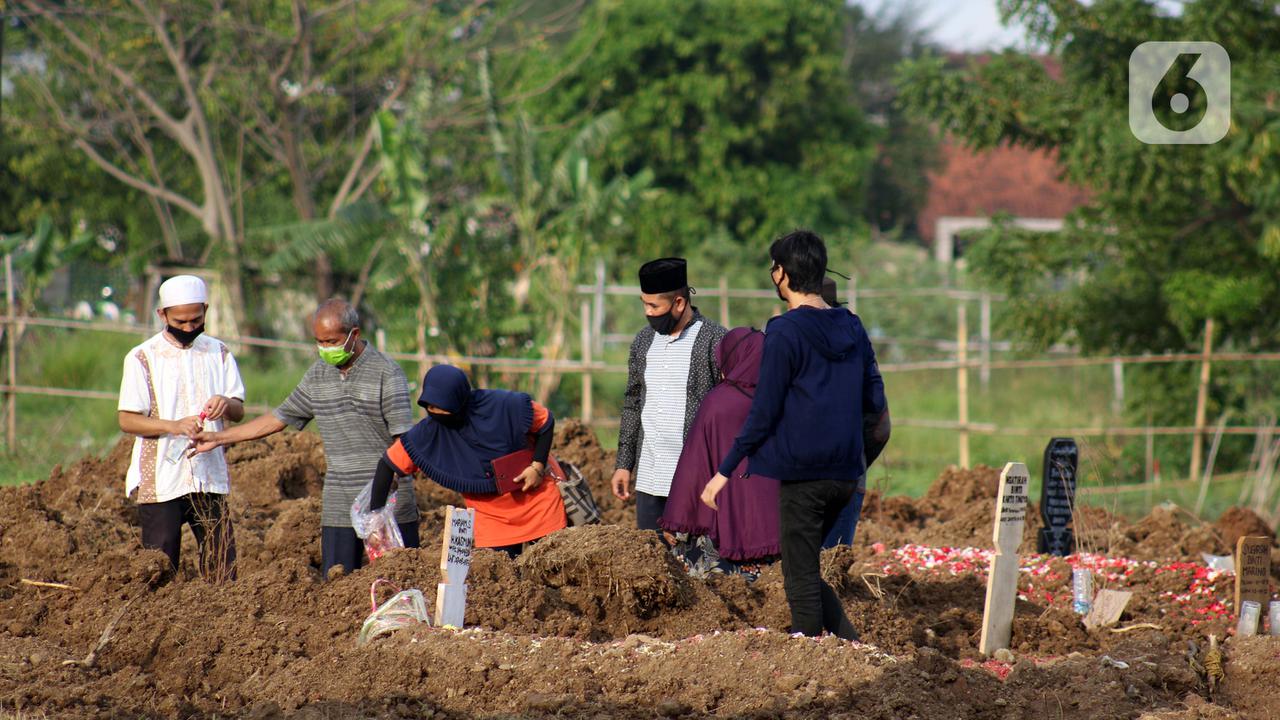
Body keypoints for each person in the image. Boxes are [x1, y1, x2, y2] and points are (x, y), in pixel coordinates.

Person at [703, 230, 890, 640]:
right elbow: (874, 408)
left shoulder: (784, 332)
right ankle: (852, 648)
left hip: (805, 476)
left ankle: (810, 657)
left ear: (782, 275)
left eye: (774, 268)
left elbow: (764, 410)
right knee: (799, 564)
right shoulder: (852, 326)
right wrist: (855, 459)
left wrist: (724, 471)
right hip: (845, 475)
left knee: (799, 578)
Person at [191, 298, 418, 577]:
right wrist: (221, 438)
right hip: (340, 502)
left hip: (386, 502)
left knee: (397, 581)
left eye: (332, 341)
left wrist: (377, 504)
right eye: (319, 342)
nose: (325, 349)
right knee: (338, 582)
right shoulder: (317, 376)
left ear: (354, 335)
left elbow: (404, 444)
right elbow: (277, 419)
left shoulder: (387, 373)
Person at [117, 275, 245, 580]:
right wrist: (173, 425)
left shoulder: (219, 352)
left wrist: (226, 403)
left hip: (209, 476)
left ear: (205, 311)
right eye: (181, 321)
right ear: (163, 315)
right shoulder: (142, 357)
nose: (189, 327)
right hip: (163, 478)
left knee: (222, 569)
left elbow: (239, 410)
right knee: (159, 569)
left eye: (196, 320)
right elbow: (127, 419)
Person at [369, 365, 565, 557]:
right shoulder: (428, 434)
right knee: (503, 583)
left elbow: (545, 422)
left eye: (443, 406)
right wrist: (376, 521)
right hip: (492, 523)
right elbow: (386, 464)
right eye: (430, 406)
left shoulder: (505, 405)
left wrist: (537, 466)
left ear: (460, 399)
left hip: (539, 507)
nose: (436, 411)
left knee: (554, 573)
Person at [611, 257, 727, 531]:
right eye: (644, 304)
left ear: (679, 303)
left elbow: (728, 409)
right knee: (651, 562)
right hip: (651, 475)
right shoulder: (643, 341)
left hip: (697, 478)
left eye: (654, 306)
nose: (648, 312)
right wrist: (624, 463)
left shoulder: (714, 340)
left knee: (697, 566)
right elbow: (633, 403)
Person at [660, 327, 779, 579]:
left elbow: (694, 465)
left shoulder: (718, 402)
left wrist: (676, 517)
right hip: (779, 533)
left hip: (725, 532)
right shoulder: (784, 398)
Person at [818, 277, 891, 549]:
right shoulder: (857, 350)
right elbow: (881, 427)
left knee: (793, 575)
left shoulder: (786, 343)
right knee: (833, 567)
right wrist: (858, 459)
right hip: (849, 474)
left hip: (796, 480)